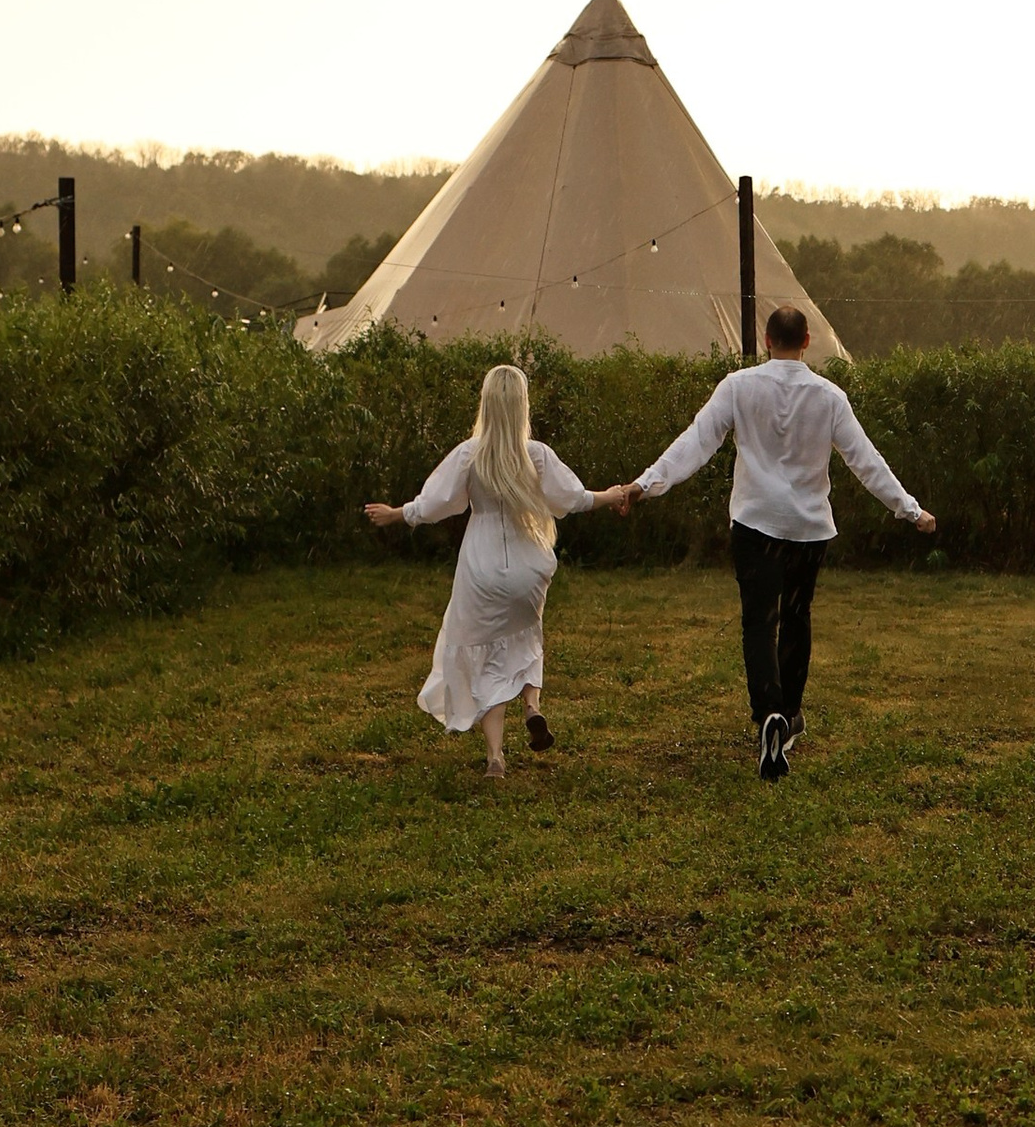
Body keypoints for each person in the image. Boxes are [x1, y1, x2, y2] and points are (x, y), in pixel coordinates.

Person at [598, 308, 934, 780]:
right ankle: (790, 713)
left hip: (754, 524)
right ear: (808, 340)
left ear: (766, 338)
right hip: (808, 528)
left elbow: (695, 443)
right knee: (796, 618)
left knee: (760, 621)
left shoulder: (738, 386)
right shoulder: (830, 397)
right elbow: (865, 460)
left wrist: (644, 484)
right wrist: (911, 509)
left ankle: (768, 713)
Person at [366, 363, 595, 777]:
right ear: (522, 406)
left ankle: (495, 757)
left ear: (486, 404)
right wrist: (610, 496)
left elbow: (437, 503)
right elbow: (574, 498)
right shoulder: (537, 455)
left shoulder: (471, 454)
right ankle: (532, 706)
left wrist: (399, 514)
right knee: (526, 640)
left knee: (486, 654)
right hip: (530, 566)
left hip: (482, 567)